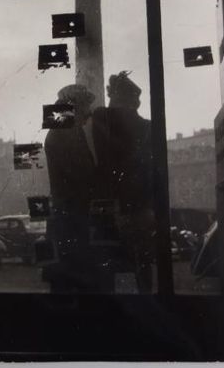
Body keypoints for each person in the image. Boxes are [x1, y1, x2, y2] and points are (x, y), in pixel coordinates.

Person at [92, 71, 155, 293]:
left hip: (113, 202)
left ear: (114, 96)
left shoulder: (102, 116)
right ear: (134, 100)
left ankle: (124, 310)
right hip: (142, 203)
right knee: (143, 261)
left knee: (118, 261)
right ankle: (147, 302)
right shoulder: (147, 126)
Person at [44, 84, 96, 292]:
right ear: (73, 106)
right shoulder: (67, 134)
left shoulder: (59, 131)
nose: (89, 112)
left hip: (65, 214)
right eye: (85, 106)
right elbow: (83, 173)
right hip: (72, 216)